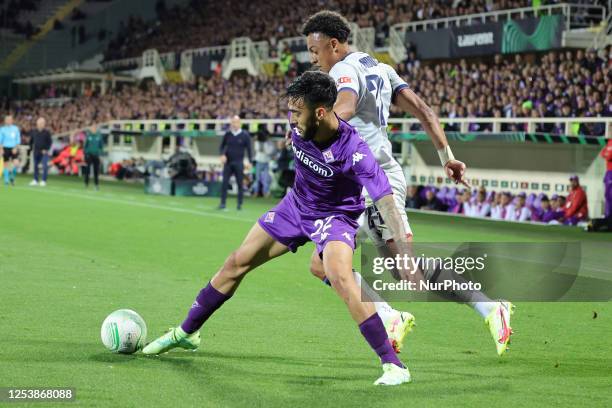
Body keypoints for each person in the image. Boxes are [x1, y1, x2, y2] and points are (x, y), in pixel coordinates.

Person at [144, 72, 412, 386]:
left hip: (334, 216)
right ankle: (186, 333)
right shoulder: (300, 127)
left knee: (340, 276)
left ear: (321, 113)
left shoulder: (355, 152)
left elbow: (386, 201)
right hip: (295, 206)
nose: (291, 119)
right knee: (236, 262)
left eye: (297, 113)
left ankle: (394, 366)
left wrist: (403, 248)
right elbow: (299, 137)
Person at [302, 10, 512, 356]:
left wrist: (309, 129)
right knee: (329, 263)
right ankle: (391, 314)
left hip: (372, 184)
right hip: (366, 183)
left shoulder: (341, 70)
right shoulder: (383, 69)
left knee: (401, 270)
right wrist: (448, 159)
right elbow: (425, 112)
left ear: (334, 45)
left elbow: (347, 105)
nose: (313, 58)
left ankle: (486, 307)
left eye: (315, 50)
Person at [218, 115, 252, 210]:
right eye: (233, 122)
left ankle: (239, 204)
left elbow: (249, 149)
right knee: (224, 183)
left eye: (236, 122)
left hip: (239, 163)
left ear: (239, 123)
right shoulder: (228, 134)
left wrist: (250, 161)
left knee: (240, 184)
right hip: (228, 163)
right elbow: (221, 147)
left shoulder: (245, 135)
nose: (234, 124)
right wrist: (222, 155)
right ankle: (222, 203)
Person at [29, 117, 52, 187]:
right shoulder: (34, 131)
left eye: (43, 123)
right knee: (35, 166)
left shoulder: (47, 132)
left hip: (44, 152)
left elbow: (50, 142)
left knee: (45, 166)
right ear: (37, 123)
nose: (41, 124)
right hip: (36, 151)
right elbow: (31, 141)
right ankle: (35, 180)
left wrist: (46, 149)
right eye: (40, 123)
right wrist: (31, 149)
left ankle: (43, 180)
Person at [253, 126, 275, 197]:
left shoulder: (269, 142)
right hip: (259, 161)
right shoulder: (258, 142)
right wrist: (261, 144)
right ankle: (255, 192)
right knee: (257, 179)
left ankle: (265, 193)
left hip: (266, 162)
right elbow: (258, 149)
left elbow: (269, 151)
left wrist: (264, 146)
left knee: (265, 179)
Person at [0, 115, 21, 186]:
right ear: (5, 121)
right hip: (5, 148)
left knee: (16, 163)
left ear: (12, 120)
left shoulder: (15, 129)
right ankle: (6, 180)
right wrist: (1, 149)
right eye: (7, 119)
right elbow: (0, 140)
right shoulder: (2, 129)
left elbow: (18, 139)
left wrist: (15, 147)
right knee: (6, 164)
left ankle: (12, 177)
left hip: (13, 148)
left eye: (10, 119)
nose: (8, 121)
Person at [84, 125, 104, 190]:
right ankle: (86, 183)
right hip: (89, 155)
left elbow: (101, 147)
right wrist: (86, 153)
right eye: (91, 128)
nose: (92, 129)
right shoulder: (88, 136)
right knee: (87, 170)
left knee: (96, 171)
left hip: (96, 155)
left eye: (93, 128)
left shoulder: (99, 136)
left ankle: (96, 184)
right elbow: (85, 146)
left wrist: (100, 154)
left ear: (96, 129)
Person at [601, 139, 612, 219]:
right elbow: (602, 153)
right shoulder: (609, 142)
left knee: (610, 195)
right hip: (608, 171)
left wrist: (606, 154)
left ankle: (609, 215)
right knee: (607, 195)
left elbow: (609, 156)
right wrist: (606, 154)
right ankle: (608, 215)